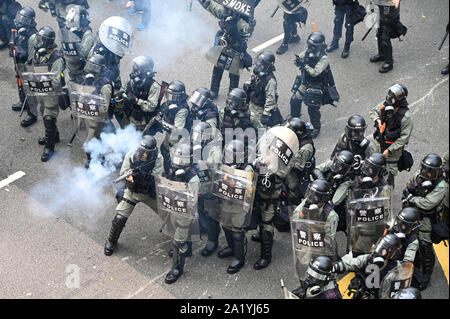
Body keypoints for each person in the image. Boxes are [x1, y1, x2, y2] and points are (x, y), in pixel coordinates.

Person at [104, 135, 163, 256]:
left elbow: (156, 179)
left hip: (149, 193)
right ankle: (111, 241)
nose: (143, 155)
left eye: (146, 153)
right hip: (132, 192)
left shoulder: (158, 158)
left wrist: (142, 175)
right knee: (119, 218)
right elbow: (124, 172)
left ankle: (180, 242)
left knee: (168, 214)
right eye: (141, 152)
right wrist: (129, 178)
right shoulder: (131, 155)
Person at [402, 153, 449, 290]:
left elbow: (427, 204)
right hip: (413, 211)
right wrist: (408, 196)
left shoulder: (441, 185)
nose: (426, 174)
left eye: (430, 171)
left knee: (425, 244)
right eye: (424, 169)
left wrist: (412, 198)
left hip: (428, 217)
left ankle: (426, 274)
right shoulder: (419, 174)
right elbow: (409, 185)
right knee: (409, 238)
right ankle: (415, 263)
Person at [199, 0, 254, 99]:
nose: (225, 10)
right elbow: (212, 7)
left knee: (233, 74)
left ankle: (232, 94)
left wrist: (250, 28)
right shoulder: (224, 14)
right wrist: (204, 2)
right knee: (217, 69)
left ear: (233, 11)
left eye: (227, 9)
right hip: (223, 47)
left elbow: (246, 29)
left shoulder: (239, 22)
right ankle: (213, 91)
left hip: (235, 50)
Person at [215, 140, 255, 274]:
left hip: (239, 204)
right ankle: (231, 248)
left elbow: (249, 191)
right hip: (227, 200)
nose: (227, 157)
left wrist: (232, 182)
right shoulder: (226, 165)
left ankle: (240, 257)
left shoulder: (247, 169)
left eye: (230, 155)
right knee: (226, 226)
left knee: (237, 231)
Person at [27, 26, 66, 162]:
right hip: (40, 90)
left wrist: (42, 77)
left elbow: (56, 81)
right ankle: (54, 135)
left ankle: (50, 147)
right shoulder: (39, 52)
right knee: (43, 112)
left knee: (49, 117)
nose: (39, 42)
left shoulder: (56, 58)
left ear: (48, 42)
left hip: (51, 93)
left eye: (42, 40)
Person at [164, 143, 200, 284]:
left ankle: (177, 269)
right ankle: (186, 250)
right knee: (180, 238)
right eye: (177, 159)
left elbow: (192, 202)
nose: (178, 163)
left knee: (178, 243)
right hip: (174, 210)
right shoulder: (174, 171)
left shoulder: (193, 178)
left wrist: (176, 197)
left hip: (185, 213)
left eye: (182, 160)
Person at [290, 31, 336, 138]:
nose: (310, 48)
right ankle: (295, 118)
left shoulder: (323, 58)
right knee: (295, 99)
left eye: (313, 46)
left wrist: (304, 65)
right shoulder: (307, 51)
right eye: (309, 45)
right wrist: (297, 60)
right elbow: (298, 59)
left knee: (312, 108)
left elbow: (315, 72)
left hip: (316, 85)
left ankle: (316, 127)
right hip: (306, 82)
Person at [332, 233, 404, 299]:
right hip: (364, 293)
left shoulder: (396, 267)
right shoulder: (369, 258)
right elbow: (352, 263)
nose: (382, 251)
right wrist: (334, 267)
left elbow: (401, 283)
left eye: (387, 250)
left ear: (393, 254)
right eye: (381, 246)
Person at [369, 84, 413, 187]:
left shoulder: (406, 117)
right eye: (388, 96)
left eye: (391, 98)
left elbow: (404, 138)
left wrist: (389, 150)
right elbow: (372, 111)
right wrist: (378, 121)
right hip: (379, 144)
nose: (388, 99)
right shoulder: (386, 105)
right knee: (374, 167)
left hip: (392, 151)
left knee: (388, 176)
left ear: (398, 101)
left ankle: (388, 194)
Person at [81, 54, 114, 168]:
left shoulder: (105, 86)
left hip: (99, 119)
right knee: (98, 139)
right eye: (90, 65)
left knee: (89, 143)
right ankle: (100, 159)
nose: (90, 69)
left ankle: (92, 161)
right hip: (89, 115)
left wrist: (92, 95)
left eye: (94, 67)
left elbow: (104, 108)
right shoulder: (88, 80)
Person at [314, 150, 355, 232]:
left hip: (333, 199)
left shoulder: (346, 180)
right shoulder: (333, 163)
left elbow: (335, 201)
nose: (336, 165)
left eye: (339, 166)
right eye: (336, 162)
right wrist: (322, 179)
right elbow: (316, 169)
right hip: (323, 188)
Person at [119, 55, 162, 132]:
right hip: (126, 118)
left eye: (138, 68)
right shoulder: (131, 79)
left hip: (140, 124)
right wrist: (121, 93)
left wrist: (136, 100)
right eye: (135, 66)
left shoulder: (154, 86)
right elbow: (123, 88)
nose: (135, 68)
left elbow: (151, 106)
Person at [9, 7, 38, 118]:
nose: (20, 21)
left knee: (29, 88)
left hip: (26, 64)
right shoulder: (18, 29)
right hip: (18, 62)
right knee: (20, 83)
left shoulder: (33, 35)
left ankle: (32, 113)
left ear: (30, 21)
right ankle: (23, 102)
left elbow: (31, 57)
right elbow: (14, 41)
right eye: (20, 17)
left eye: (24, 19)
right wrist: (12, 48)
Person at [159, 80, 191, 175]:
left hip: (179, 138)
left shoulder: (182, 109)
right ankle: (167, 171)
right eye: (169, 95)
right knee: (164, 149)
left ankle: (172, 175)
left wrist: (162, 123)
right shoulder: (170, 104)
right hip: (170, 134)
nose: (170, 99)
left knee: (174, 159)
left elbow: (177, 130)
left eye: (173, 96)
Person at [244, 50, 283, 127]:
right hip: (252, 104)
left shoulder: (270, 81)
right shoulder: (257, 72)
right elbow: (253, 81)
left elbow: (270, 99)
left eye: (261, 64)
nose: (258, 65)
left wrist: (266, 115)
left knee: (260, 130)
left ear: (267, 66)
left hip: (260, 109)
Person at [284, 117, 316, 207]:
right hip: (290, 160)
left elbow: (298, 166)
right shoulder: (297, 136)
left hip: (297, 172)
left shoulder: (306, 148)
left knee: (292, 188)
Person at [369, 0, 407, 73]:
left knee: (385, 35)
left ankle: (389, 62)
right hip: (378, 3)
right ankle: (382, 54)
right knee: (379, 31)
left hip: (389, 5)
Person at [61, 4, 93, 84]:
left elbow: (83, 52)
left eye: (73, 21)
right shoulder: (71, 29)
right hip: (71, 66)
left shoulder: (87, 34)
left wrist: (74, 39)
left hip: (81, 70)